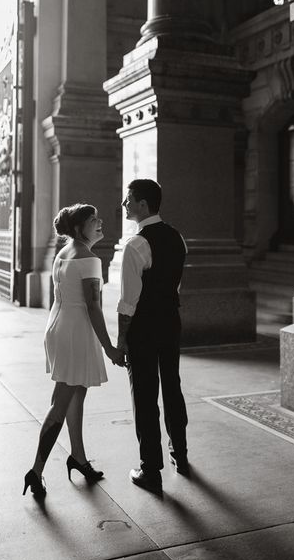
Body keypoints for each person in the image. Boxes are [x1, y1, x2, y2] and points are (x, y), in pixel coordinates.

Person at [23, 203, 123, 497]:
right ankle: (36, 470)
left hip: (58, 327)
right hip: (76, 332)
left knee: (75, 394)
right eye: (94, 220)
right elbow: (93, 306)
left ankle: (78, 457)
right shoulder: (89, 258)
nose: (101, 222)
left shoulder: (63, 254)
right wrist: (110, 348)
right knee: (60, 403)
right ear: (80, 228)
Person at [116, 179, 189, 494]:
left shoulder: (136, 245)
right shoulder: (177, 238)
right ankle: (180, 456)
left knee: (144, 397)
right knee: (172, 388)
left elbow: (128, 302)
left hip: (144, 328)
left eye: (128, 198)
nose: (124, 204)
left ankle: (150, 470)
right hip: (171, 323)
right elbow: (175, 285)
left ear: (142, 203)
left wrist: (121, 340)